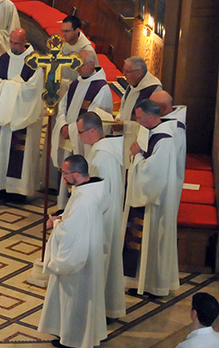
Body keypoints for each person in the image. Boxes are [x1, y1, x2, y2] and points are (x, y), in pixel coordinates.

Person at [38, 155, 107, 348]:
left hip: (79, 264)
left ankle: (73, 341)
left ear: (77, 174)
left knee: (75, 301)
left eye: (64, 173)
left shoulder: (84, 201)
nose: (63, 178)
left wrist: (56, 223)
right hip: (89, 255)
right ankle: (72, 336)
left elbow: (71, 234)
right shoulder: (89, 191)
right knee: (79, 301)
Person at [123, 99, 180, 297]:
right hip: (148, 200)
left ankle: (154, 286)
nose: (137, 121)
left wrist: (136, 156)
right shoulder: (153, 134)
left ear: (150, 116)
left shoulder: (164, 140)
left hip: (156, 204)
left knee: (153, 242)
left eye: (139, 117)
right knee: (142, 242)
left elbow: (153, 175)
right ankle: (140, 282)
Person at [76, 112, 126, 320]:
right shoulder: (107, 151)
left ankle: (97, 314)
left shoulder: (101, 157)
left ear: (93, 130)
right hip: (110, 214)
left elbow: (96, 194)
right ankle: (107, 310)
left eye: (81, 132)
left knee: (99, 265)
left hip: (101, 219)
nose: (79, 137)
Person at [51, 49, 112, 211]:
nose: (77, 67)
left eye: (80, 64)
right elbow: (63, 106)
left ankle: (78, 205)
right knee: (68, 171)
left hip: (84, 142)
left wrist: (70, 130)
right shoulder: (76, 84)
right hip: (71, 137)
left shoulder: (101, 89)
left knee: (80, 172)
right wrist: (63, 124)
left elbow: (96, 119)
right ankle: (64, 205)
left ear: (92, 64)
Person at [0, 28, 44, 203]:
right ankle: (0, 186)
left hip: (22, 117)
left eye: (17, 43)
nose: (13, 46)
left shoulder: (34, 61)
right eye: (11, 42)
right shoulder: (4, 58)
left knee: (21, 155)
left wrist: (10, 87)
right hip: (4, 117)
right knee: (1, 151)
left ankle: (19, 191)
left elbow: (34, 89)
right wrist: (13, 86)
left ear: (25, 41)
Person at [117, 56, 163, 171]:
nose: (124, 74)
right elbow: (123, 106)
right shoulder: (131, 85)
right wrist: (118, 118)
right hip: (125, 135)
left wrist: (125, 125)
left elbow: (151, 122)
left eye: (127, 71)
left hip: (139, 141)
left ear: (139, 73)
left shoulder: (152, 89)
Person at [151, 90, 187, 194]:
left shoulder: (174, 129)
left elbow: (165, 158)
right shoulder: (163, 120)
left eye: (152, 106)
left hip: (165, 178)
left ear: (164, 108)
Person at [59, 15, 98, 85]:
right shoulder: (64, 43)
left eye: (67, 31)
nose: (63, 35)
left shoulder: (87, 51)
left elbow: (86, 81)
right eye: (62, 31)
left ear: (77, 30)